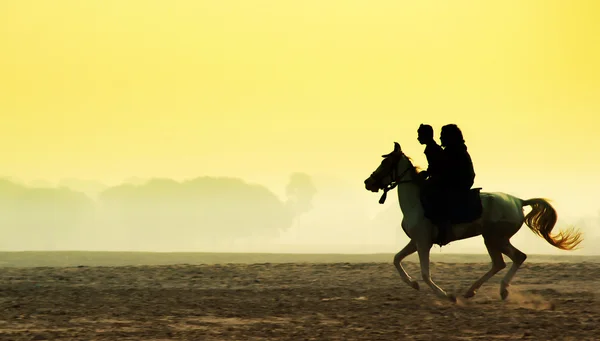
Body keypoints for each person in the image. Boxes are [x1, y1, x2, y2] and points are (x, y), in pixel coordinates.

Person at [431, 124, 476, 245]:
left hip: (461, 181)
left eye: (442, 136)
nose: (440, 138)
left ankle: (444, 230)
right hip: (455, 180)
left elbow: (448, 170)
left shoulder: (455, 151)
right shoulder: (452, 150)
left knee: (440, 199)